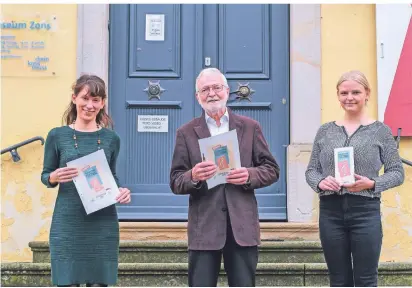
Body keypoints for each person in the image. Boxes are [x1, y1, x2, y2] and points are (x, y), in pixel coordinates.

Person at [169, 68, 280, 287]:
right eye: (205, 89)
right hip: (204, 228)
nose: (211, 93)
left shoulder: (249, 127)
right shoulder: (186, 132)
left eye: (216, 87)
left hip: (242, 226)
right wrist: (193, 175)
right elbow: (175, 180)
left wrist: (249, 174)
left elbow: (271, 169)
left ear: (227, 91)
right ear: (197, 96)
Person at [305, 70, 405, 287]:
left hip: (365, 211)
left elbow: (397, 172)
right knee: (338, 279)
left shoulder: (380, 131)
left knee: (366, 279)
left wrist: (372, 184)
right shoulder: (325, 131)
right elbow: (311, 170)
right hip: (330, 211)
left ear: (367, 93)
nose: (349, 97)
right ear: (338, 96)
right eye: (344, 93)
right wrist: (320, 182)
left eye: (355, 92)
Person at [41, 74, 131, 287]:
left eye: (96, 100)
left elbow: (112, 177)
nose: (90, 105)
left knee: (99, 283)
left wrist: (122, 192)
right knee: (67, 282)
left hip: (102, 222)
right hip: (68, 222)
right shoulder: (57, 135)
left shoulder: (111, 139)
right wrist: (53, 177)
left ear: (102, 103)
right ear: (74, 98)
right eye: (85, 98)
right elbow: (45, 175)